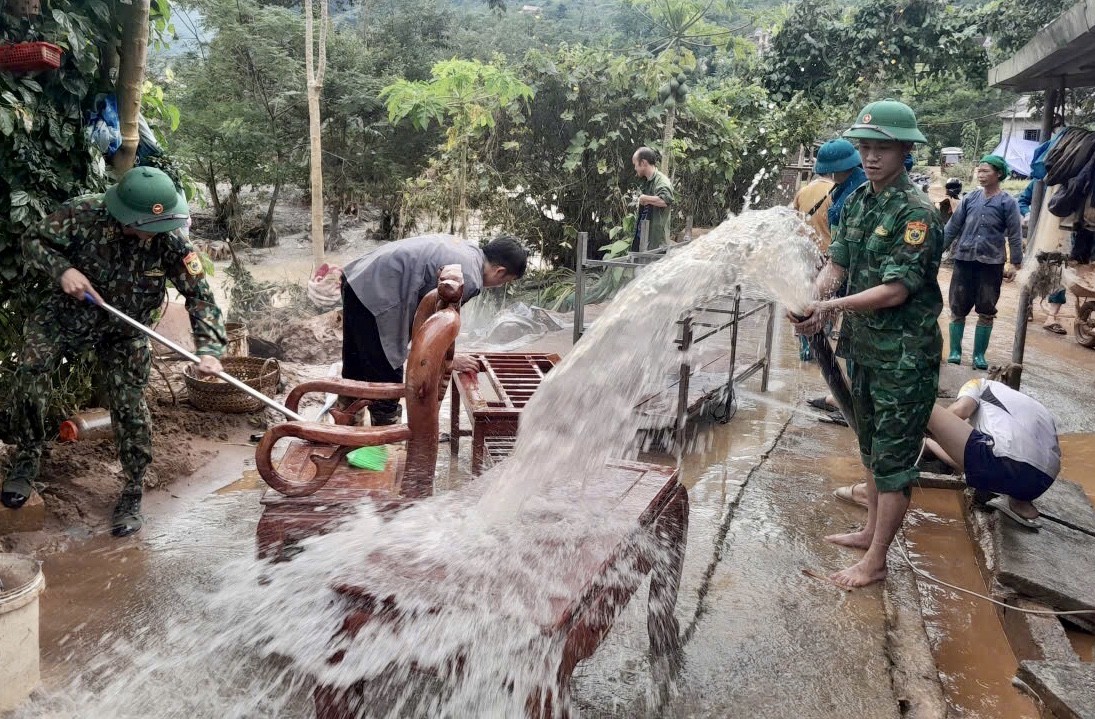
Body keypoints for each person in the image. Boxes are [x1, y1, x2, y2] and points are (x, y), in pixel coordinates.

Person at [2, 167, 226, 537]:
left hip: (126, 331)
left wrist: (211, 349)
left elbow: (201, 298)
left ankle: (132, 489)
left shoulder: (170, 241)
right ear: (125, 216)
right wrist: (63, 270)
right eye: (147, 227)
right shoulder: (82, 213)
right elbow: (33, 241)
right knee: (30, 370)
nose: (154, 234)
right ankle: (27, 458)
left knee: (129, 403)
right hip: (65, 317)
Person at [790, 98, 943, 589]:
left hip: (904, 356)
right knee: (872, 448)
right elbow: (837, 264)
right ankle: (870, 532)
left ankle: (876, 562)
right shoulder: (856, 202)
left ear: (904, 150)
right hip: (863, 349)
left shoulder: (916, 213)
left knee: (895, 460)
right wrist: (812, 299)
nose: (872, 157)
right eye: (866, 148)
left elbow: (897, 290)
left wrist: (829, 310)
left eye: (882, 148)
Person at [341, 234, 528, 426]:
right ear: (500, 272)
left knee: (355, 367)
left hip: (358, 278)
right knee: (386, 378)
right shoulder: (469, 278)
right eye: (506, 282)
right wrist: (448, 360)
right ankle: (384, 447)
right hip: (376, 295)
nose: (499, 286)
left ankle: (345, 434)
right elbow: (435, 327)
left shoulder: (470, 252)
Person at [925, 376, 1060, 528]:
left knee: (925, 409)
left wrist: (929, 433)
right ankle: (1020, 503)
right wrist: (931, 443)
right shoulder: (1017, 404)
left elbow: (959, 410)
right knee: (1013, 455)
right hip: (1042, 481)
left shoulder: (979, 384)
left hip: (1001, 462)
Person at [943, 155, 1023, 369]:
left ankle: (979, 356)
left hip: (991, 262)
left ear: (998, 174)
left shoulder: (1008, 202)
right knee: (957, 306)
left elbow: (1015, 233)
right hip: (964, 258)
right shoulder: (970, 199)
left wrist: (1016, 262)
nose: (981, 175)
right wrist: (935, 250)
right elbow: (952, 227)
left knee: (987, 308)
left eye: (986, 171)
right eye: (979, 171)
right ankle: (955, 351)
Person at [631, 147, 675, 250]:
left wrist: (644, 197)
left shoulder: (661, 181)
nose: (635, 168)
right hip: (645, 240)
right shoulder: (647, 181)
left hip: (657, 244)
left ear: (643, 163)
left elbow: (665, 200)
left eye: (635, 164)